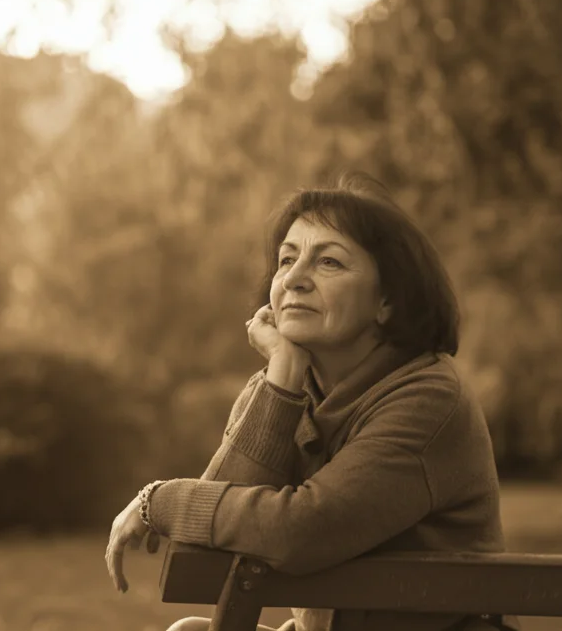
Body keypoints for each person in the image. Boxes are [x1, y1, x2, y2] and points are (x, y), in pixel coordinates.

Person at [105, 172, 518, 631]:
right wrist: (281, 377)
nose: (294, 280)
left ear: (387, 301)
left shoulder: (428, 396)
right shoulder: (281, 386)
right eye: (286, 260)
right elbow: (212, 552)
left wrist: (157, 501)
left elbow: (300, 531)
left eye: (329, 264)